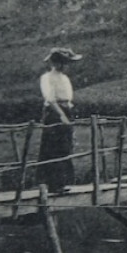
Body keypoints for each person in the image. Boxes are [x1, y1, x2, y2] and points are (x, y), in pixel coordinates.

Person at [38, 47, 82, 193]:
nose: (66, 66)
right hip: (54, 113)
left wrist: (68, 113)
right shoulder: (47, 78)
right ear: (56, 63)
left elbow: (68, 99)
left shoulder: (64, 78)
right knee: (53, 148)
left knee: (65, 146)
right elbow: (50, 99)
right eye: (64, 63)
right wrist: (61, 115)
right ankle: (53, 184)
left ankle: (63, 182)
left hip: (66, 110)